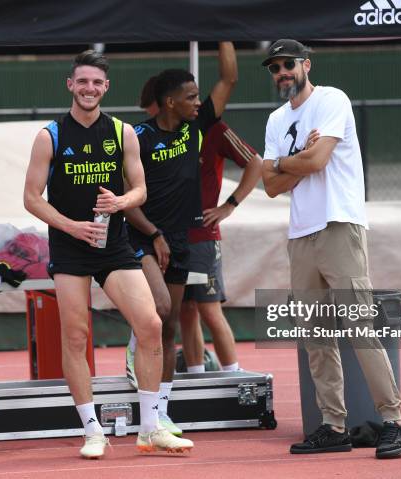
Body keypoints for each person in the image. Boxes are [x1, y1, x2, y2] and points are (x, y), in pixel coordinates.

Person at [23, 50, 193, 459]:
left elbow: (140, 190)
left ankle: (150, 428)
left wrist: (121, 201)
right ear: (70, 85)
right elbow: (31, 198)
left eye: (96, 83)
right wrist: (70, 225)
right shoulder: (51, 135)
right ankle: (92, 431)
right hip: (70, 246)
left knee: (152, 324)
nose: (89, 89)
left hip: (113, 246)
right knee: (76, 335)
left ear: (106, 87)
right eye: (82, 81)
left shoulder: (121, 133)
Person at [261, 39, 401, 459]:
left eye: (288, 64)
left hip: (339, 225)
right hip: (300, 234)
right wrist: (297, 156)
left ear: (306, 64)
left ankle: (394, 421)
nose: (282, 73)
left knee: (359, 327)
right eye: (274, 68)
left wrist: (283, 162)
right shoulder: (276, 119)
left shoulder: (332, 99)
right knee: (315, 336)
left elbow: (315, 163)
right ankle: (333, 426)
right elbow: (271, 187)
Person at [125, 42, 237, 437]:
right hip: (141, 237)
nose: (196, 102)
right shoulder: (136, 137)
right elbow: (126, 201)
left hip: (180, 239)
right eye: (189, 97)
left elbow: (230, 78)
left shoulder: (195, 129)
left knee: (170, 325)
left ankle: (161, 412)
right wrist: (153, 234)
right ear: (169, 102)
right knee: (156, 313)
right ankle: (137, 352)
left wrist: (223, 33)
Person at [138, 76, 263, 375]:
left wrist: (228, 206)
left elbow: (230, 77)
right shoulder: (152, 137)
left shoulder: (208, 128)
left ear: (166, 104)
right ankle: (195, 376)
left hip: (202, 235)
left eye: (150, 110)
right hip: (168, 236)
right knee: (184, 311)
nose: (149, 117)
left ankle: (234, 376)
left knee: (208, 308)